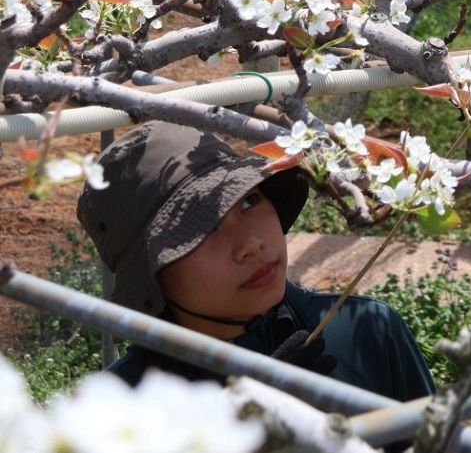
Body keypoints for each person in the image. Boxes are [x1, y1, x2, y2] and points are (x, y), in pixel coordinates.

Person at [76, 120, 435, 403]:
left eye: (249, 201)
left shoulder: (364, 332)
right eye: (201, 230)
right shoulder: (121, 414)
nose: (250, 244)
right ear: (152, 277)